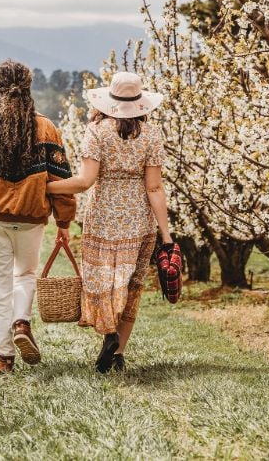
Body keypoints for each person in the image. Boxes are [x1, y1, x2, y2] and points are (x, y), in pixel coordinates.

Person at [0, 60, 76, 375]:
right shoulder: (46, 128)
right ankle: (22, 321)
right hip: (33, 219)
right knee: (25, 274)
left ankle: (4, 358)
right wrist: (64, 222)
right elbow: (61, 182)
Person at [47, 71, 171, 373]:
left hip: (103, 217)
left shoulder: (97, 131)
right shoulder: (152, 135)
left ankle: (109, 333)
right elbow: (154, 188)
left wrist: (44, 187)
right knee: (130, 285)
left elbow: (84, 182)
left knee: (102, 282)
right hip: (139, 219)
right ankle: (118, 354)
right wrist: (166, 235)